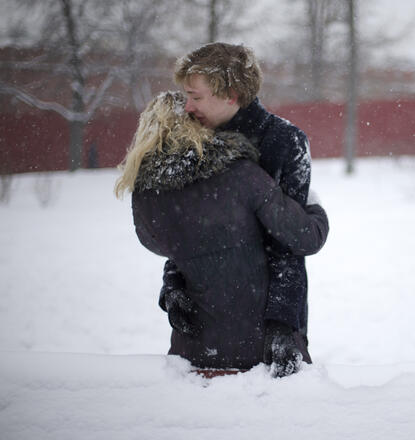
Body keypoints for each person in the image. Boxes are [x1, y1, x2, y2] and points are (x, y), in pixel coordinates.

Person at [114, 91, 328, 376]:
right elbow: (306, 237)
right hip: (257, 349)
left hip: (193, 353)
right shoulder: (238, 175)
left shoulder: (146, 196)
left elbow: (178, 249)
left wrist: (172, 285)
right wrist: (314, 207)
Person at [162, 42, 317, 374]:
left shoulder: (283, 142)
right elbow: (183, 230)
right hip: (201, 323)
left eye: (196, 97)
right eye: (186, 96)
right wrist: (173, 287)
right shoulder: (192, 140)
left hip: (264, 323)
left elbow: (287, 245)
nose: (187, 107)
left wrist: (282, 323)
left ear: (230, 94)